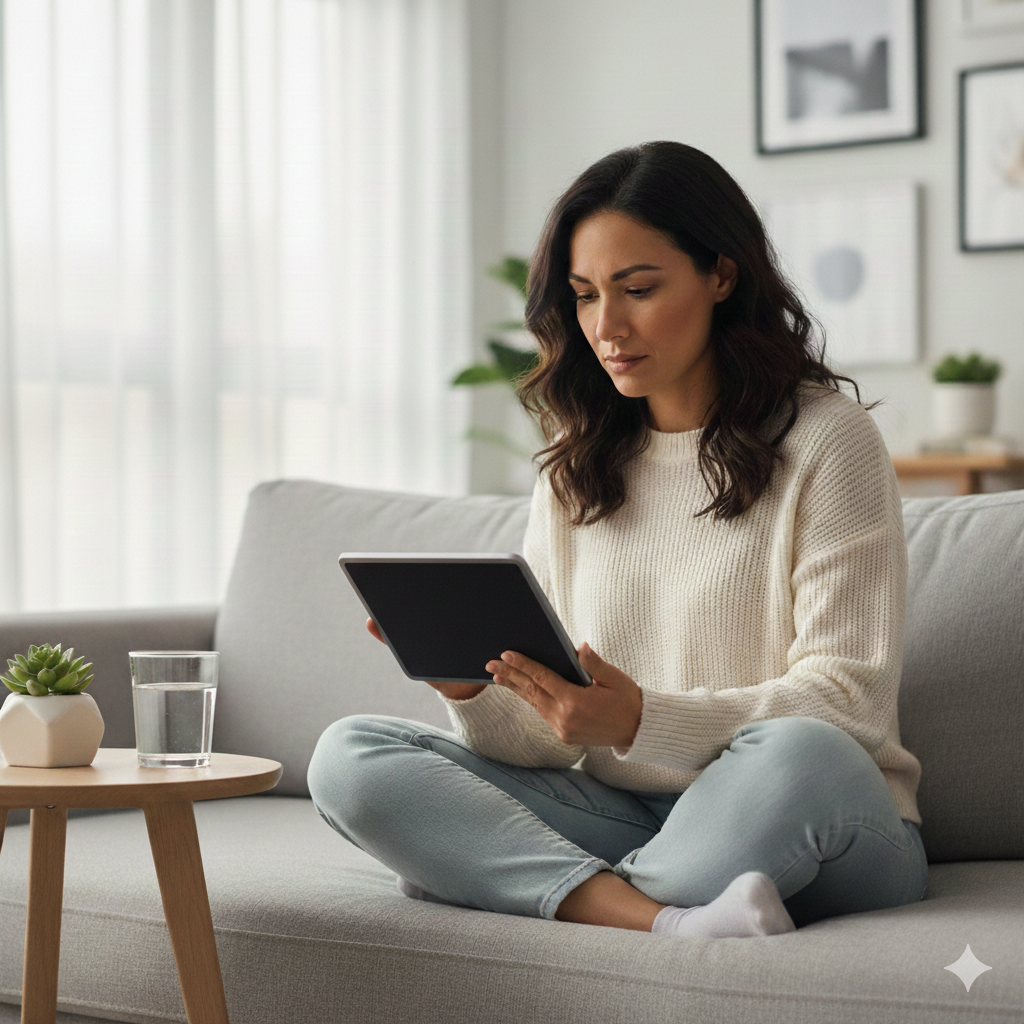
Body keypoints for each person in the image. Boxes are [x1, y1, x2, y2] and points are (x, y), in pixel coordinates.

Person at [307, 141, 927, 938]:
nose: (607, 326)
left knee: (802, 752)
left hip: (814, 820)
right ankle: (664, 918)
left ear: (721, 276)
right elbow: (543, 741)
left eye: (638, 289)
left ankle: (526, 884)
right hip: (637, 820)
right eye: (585, 294)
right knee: (351, 757)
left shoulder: (827, 441)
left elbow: (850, 704)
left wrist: (640, 719)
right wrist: (475, 689)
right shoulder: (577, 468)